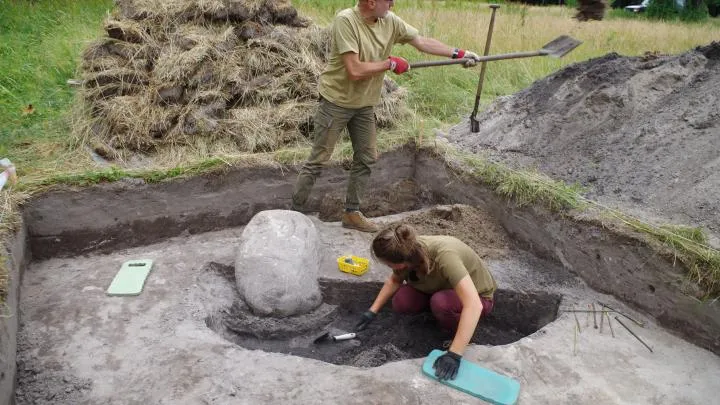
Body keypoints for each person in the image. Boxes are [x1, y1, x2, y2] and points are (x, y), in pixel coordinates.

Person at [291, 0, 481, 232]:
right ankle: (293, 214)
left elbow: (421, 42)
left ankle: (351, 213)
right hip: (336, 102)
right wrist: (389, 63)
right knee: (319, 158)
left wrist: (458, 53)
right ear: (371, 2)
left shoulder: (389, 20)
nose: (393, 3)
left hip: (364, 104)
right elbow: (355, 70)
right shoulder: (346, 21)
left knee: (367, 156)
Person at [355, 223, 497, 381]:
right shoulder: (405, 251)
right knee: (403, 301)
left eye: (388, 264)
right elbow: (394, 281)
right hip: (440, 290)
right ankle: (437, 315)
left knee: (441, 303)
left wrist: (454, 354)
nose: (388, 267)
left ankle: (454, 336)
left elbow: (473, 305)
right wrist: (371, 311)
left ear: (401, 262)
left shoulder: (445, 255)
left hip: (478, 297)